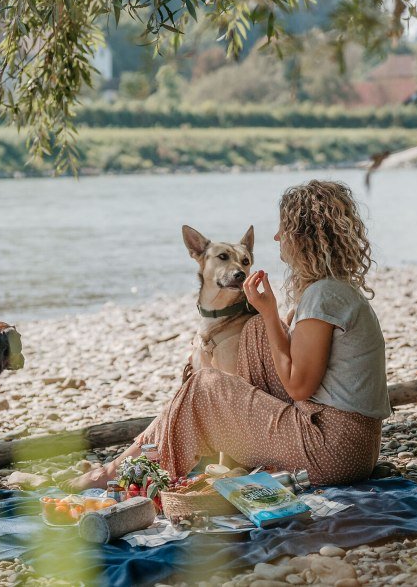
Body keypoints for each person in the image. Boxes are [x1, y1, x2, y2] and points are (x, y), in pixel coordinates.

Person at [71, 180, 390, 489]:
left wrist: (268, 312)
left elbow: (297, 386)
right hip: (350, 446)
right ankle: (137, 455)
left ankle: (123, 472)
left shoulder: (324, 296)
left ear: (303, 236)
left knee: (203, 386)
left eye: (284, 229)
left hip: (330, 449)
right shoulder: (333, 290)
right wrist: (267, 317)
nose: (277, 237)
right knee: (252, 333)